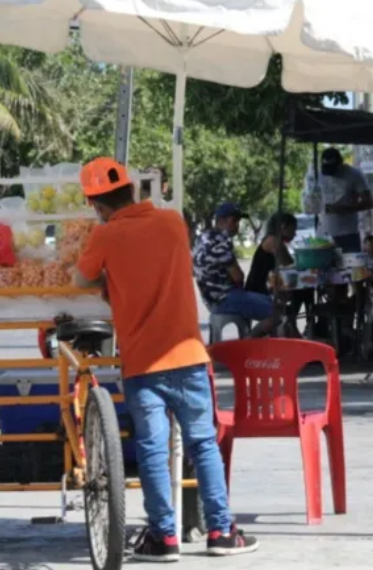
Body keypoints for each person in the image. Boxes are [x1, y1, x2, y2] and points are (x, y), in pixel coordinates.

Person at [72, 158, 258, 561]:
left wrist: (109, 278)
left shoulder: (105, 236)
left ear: (98, 206)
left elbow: (79, 279)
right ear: (132, 191)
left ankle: (164, 538)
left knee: (154, 450)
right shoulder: (174, 222)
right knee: (203, 445)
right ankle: (222, 532)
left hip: (142, 364)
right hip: (188, 356)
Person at [193, 202, 275, 337]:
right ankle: (250, 342)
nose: (237, 225)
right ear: (220, 221)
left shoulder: (202, 237)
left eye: (238, 221)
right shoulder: (221, 241)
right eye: (233, 221)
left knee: (262, 300)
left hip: (210, 300)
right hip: (225, 299)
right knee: (276, 311)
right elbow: (238, 277)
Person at [316, 147, 373, 253]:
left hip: (348, 234)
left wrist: (347, 209)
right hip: (323, 235)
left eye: (333, 169)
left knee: (351, 267)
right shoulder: (318, 175)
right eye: (327, 170)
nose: (331, 173)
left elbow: (369, 202)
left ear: (341, 163)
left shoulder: (354, 174)